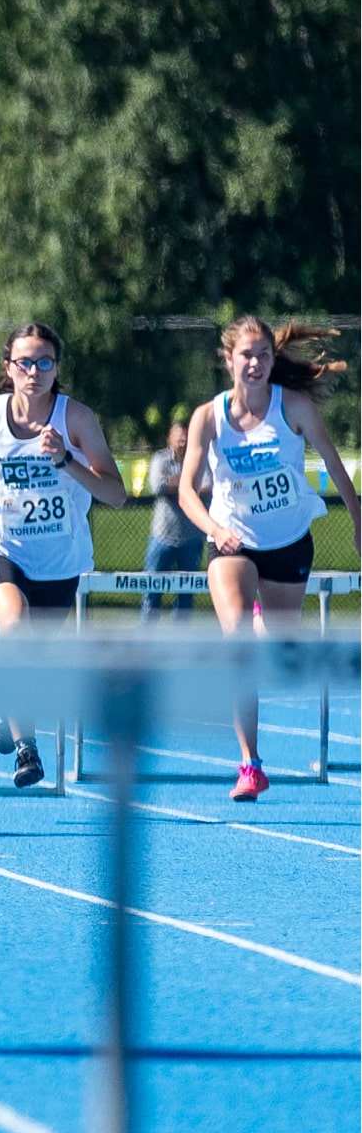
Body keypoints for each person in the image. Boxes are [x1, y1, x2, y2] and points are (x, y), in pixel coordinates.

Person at [0, 323, 126, 788]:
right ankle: (26, 748)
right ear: (8, 368)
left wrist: (67, 462)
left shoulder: (77, 420)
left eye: (45, 362)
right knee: (13, 624)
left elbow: (115, 494)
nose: (34, 371)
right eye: (25, 362)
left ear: (57, 369)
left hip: (57, 560)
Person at [176, 318, 358, 800]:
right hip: (232, 542)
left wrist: (359, 522)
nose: (254, 364)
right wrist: (216, 530)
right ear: (229, 359)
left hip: (288, 540)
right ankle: (250, 764)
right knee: (237, 646)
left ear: (273, 361)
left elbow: (336, 467)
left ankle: (263, 622)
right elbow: (186, 492)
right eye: (246, 355)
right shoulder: (208, 418)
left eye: (262, 355)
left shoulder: (292, 407)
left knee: (273, 648)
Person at [142, 418, 204, 621]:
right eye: (178, 435)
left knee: (186, 595)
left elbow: (209, 487)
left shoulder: (200, 459)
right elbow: (158, 486)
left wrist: (177, 484)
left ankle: (181, 645)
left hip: (192, 537)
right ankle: (146, 641)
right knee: (152, 591)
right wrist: (189, 487)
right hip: (162, 535)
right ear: (169, 438)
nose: (183, 439)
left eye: (186, 435)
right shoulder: (160, 459)